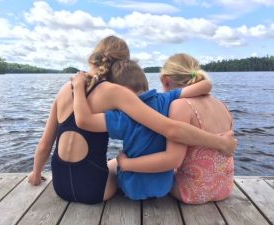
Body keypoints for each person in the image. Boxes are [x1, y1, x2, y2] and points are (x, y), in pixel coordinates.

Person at [28, 35, 236, 205]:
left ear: (94, 58)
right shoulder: (116, 92)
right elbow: (170, 129)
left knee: (114, 161)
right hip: (93, 190)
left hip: (60, 186)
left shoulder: (66, 88)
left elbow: (45, 144)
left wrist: (36, 174)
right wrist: (219, 142)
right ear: (123, 64)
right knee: (118, 163)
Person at [72, 59, 227, 200]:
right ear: (144, 82)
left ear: (118, 93)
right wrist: (196, 75)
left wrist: (79, 88)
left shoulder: (121, 117)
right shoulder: (168, 98)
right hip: (164, 188)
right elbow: (206, 86)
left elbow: (84, 121)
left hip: (131, 188)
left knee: (114, 162)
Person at [117, 53, 234, 204]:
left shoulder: (180, 106)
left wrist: (126, 164)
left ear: (165, 80)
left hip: (192, 192)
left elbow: (173, 160)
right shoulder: (222, 105)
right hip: (224, 188)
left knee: (117, 163)